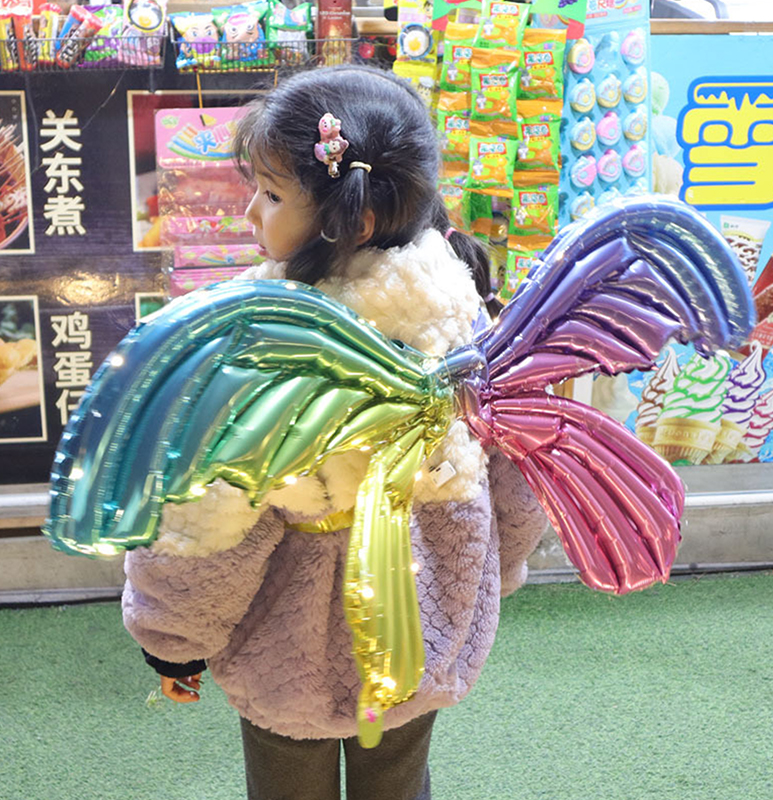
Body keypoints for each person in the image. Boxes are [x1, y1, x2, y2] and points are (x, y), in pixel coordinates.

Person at [122, 65, 548, 800]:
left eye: (270, 194)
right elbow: (516, 475)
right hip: (422, 632)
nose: (251, 212)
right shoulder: (463, 312)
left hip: (290, 655)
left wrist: (174, 641)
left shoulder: (263, 345)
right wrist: (495, 574)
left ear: (353, 217)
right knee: (400, 780)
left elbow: (207, 522)